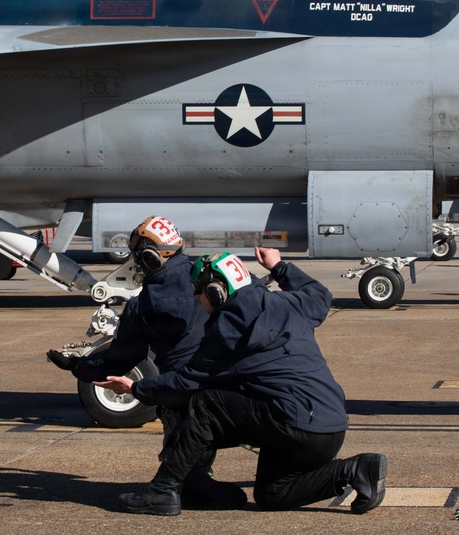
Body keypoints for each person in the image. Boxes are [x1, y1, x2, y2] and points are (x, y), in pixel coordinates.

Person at [94, 247, 387, 517]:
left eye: (199, 291)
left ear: (217, 292)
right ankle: (356, 469)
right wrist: (279, 266)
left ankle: (163, 491)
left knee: (205, 405)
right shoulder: (290, 303)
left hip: (295, 426)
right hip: (330, 426)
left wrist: (136, 388)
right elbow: (319, 294)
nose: (196, 298)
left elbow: (187, 381)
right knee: (271, 495)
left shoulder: (229, 332)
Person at [47, 216, 246, 509]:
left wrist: (77, 366)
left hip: (186, 395)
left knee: (176, 415)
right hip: (239, 390)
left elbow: (120, 359)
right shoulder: (212, 280)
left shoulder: (144, 305)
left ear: (150, 258)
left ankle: (189, 483)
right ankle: (200, 477)